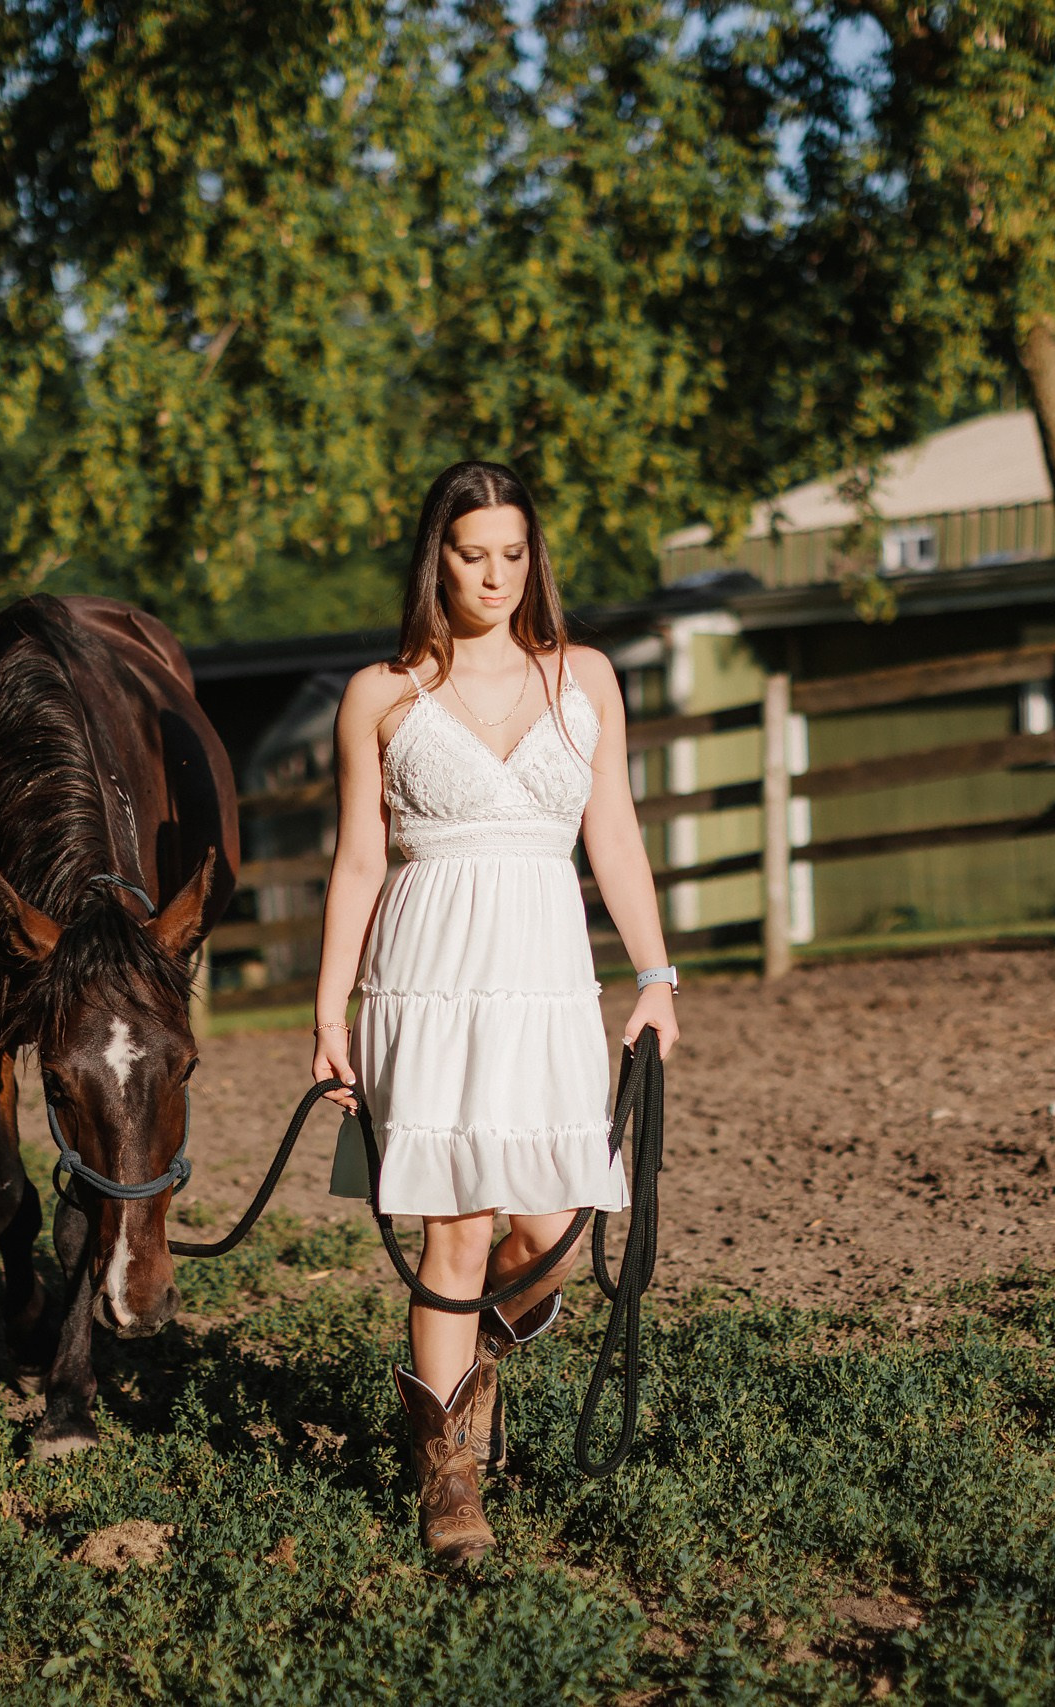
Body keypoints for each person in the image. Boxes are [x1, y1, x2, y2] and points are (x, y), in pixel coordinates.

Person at [310, 460, 680, 1569]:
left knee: (551, 1228)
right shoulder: (382, 693)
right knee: (454, 1225)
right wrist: (330, 1011)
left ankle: (479, 1365)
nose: (495, 576)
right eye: (474, 554)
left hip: (546, 976)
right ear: (438, 558)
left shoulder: (587, 677)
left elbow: (611, 833)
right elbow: (358, 860)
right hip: (425, 974)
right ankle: (451, 1477)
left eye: (514, 554)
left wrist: (657, 976)